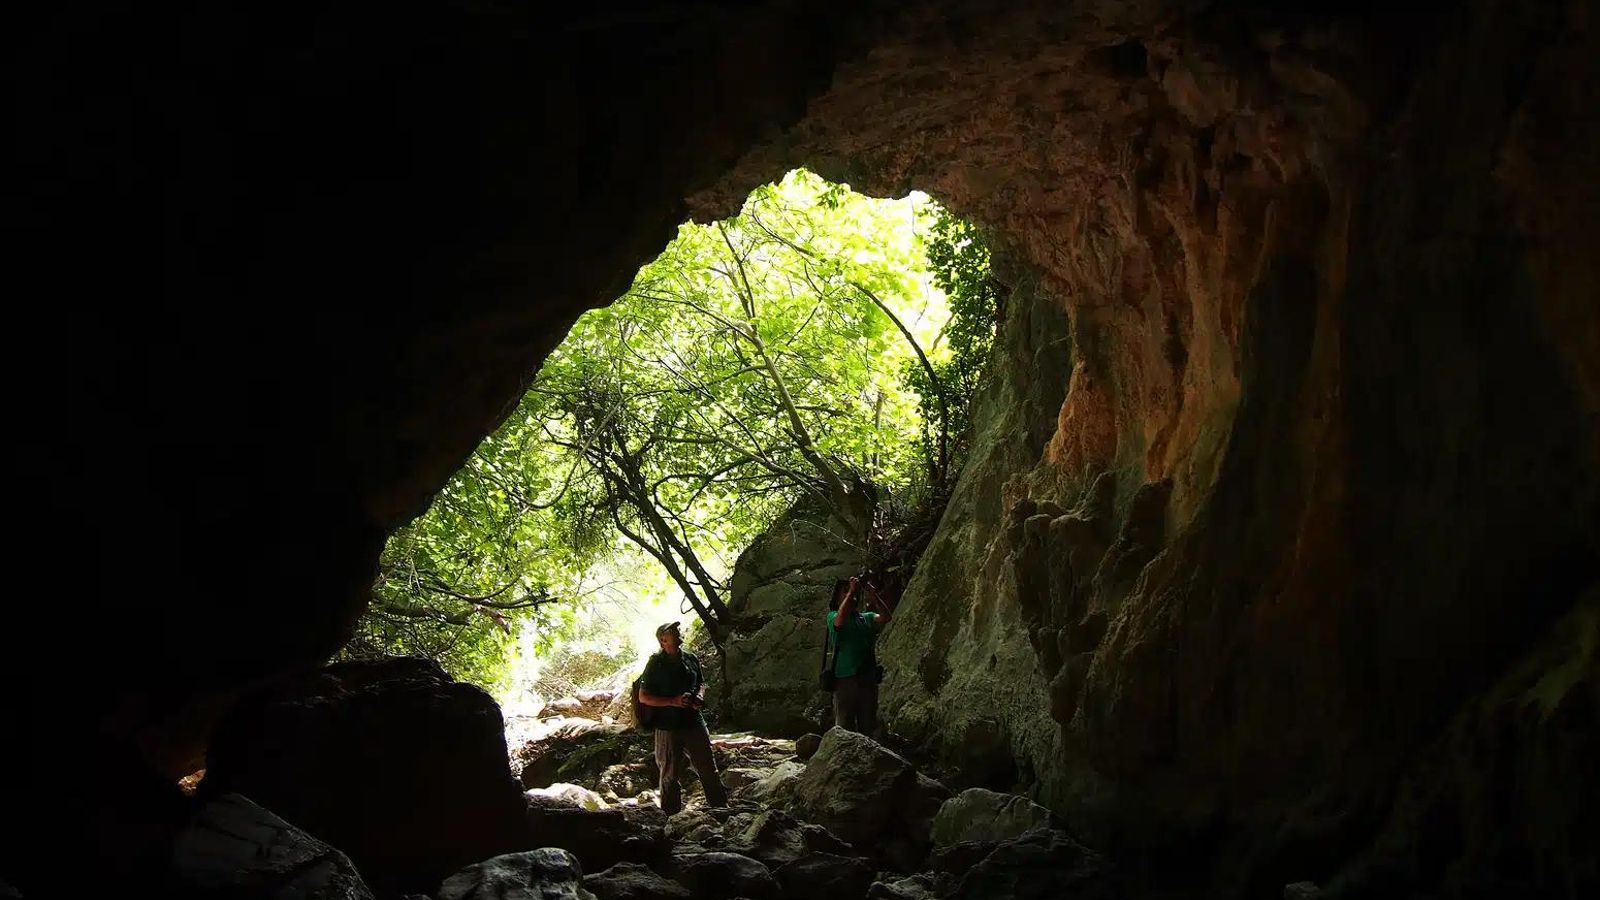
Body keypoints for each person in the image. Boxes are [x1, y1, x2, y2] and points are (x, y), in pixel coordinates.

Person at [637, 620, 729, 814]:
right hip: (667, 726)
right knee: (669, 774)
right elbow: (643, 696)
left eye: (677, 630)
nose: (678, 633)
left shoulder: (691, 658)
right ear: (663, 641)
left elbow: (702, 684)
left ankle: (721, 810)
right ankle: (671, 819)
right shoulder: (655, 663)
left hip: (694, 722)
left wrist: (699, 698)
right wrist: (673, 701)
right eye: (673, 632)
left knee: (708, 768)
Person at [827, 574, 891, 735]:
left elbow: (885, 617)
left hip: (867, 677)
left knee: (868, 725)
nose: (852, 593)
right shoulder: (832, 616)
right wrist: (852, 591)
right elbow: (839, 620)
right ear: (836, 599)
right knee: (844, 728)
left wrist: (874, 595)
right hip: (845, 679)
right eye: (845, 591)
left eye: (852, 591)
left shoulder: (866, 618)